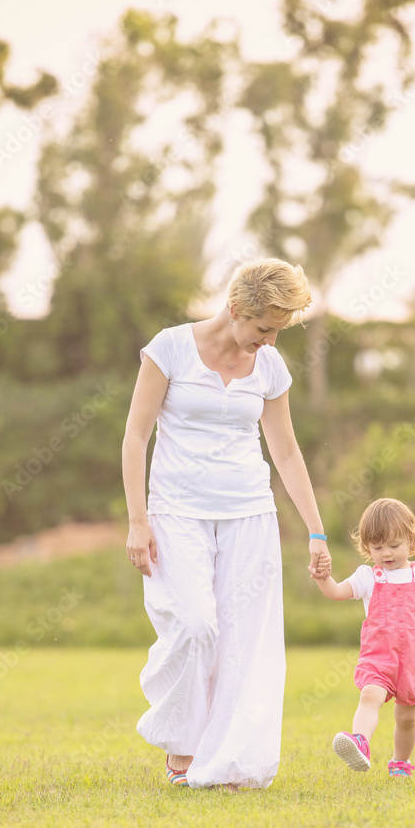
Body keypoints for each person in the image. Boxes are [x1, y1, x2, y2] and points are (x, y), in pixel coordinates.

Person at [122, 257, 331, 791]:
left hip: (249, 514)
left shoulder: (269, 366)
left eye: (278, 332)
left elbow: (286, 452)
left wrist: (315, 530)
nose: (270, 342)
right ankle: (183, 746)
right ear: (236, 309)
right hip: (176, 512)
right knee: (195, 625)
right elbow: (136, 437)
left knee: (244, 643)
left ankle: (229, 761)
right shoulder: (169, 348)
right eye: (264, 329)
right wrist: (138, 522)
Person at [313, 497, 415, 777]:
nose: (386, 553)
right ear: (367, 548)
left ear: (411, 540)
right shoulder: (368, 577)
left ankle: (400, 762)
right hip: (379, 657)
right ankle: (360, 742)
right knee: (370, 694)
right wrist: (322, 578)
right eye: (377, 547)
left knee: (407, 718)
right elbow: (336, 592)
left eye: (394, 545)